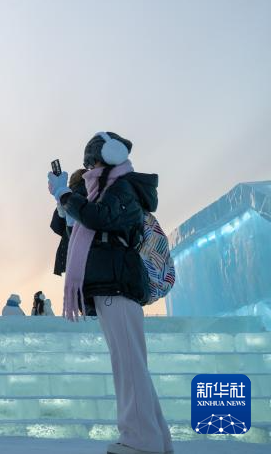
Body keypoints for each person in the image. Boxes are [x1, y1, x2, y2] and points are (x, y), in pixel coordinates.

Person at [47, 131, 173, 454]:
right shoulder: (102, 191)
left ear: (109, 157)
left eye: (91, 162)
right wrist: (62, 198)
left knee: (128, 364)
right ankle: (157, 438)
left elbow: (99, 217)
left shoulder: (124, 188)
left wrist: (66, 196)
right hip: (109, 284)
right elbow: (71, 229)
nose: (87, 169)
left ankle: (140, 439)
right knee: (131, 363)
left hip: (118, 283)